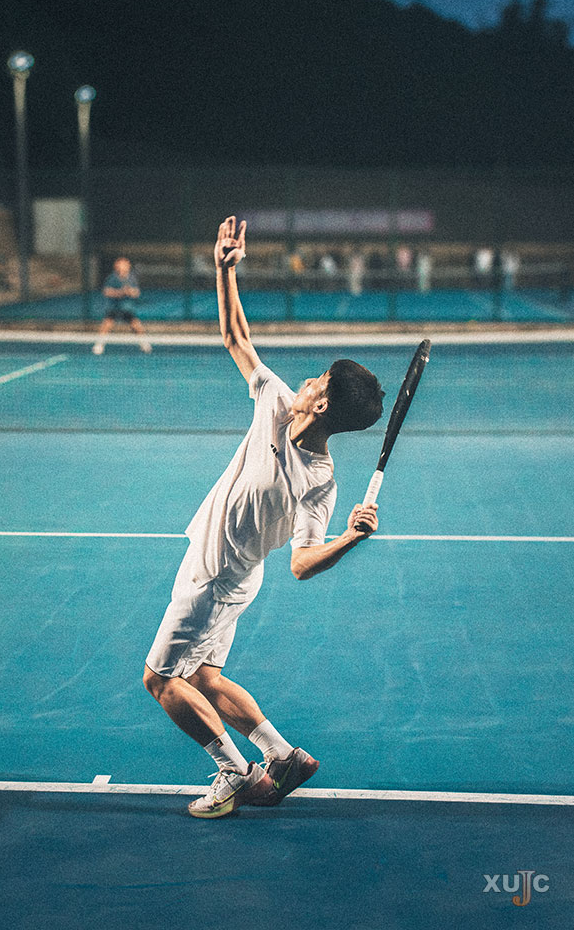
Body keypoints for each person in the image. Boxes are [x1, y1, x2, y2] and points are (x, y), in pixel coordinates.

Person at [143, 216, 384, 819]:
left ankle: (235, 772)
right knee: (205, 678)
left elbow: (301, 564)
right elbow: (236, 337)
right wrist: (225, 270)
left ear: (321, 403)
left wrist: (350, 538)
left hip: (218, 580)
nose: (307, 378)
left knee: (161, 680)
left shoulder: (319, 481)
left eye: (318, 379)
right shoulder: (277, 402)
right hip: (220, 565)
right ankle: (283, 755)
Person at [92, 256, 152, 354]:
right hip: (113, 307)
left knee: (136, 325)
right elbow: (107, 292)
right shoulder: (112, 278)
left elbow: (136, 292)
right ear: (116, 266)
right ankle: (99, 345)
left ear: (128, 266)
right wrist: (120, 292)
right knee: (107, 324)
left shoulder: (132, 278)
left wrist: (130, 292)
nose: (122, 266)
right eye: (120, 264)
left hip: (127, 307)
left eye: (124, 264)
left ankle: (144, 344)